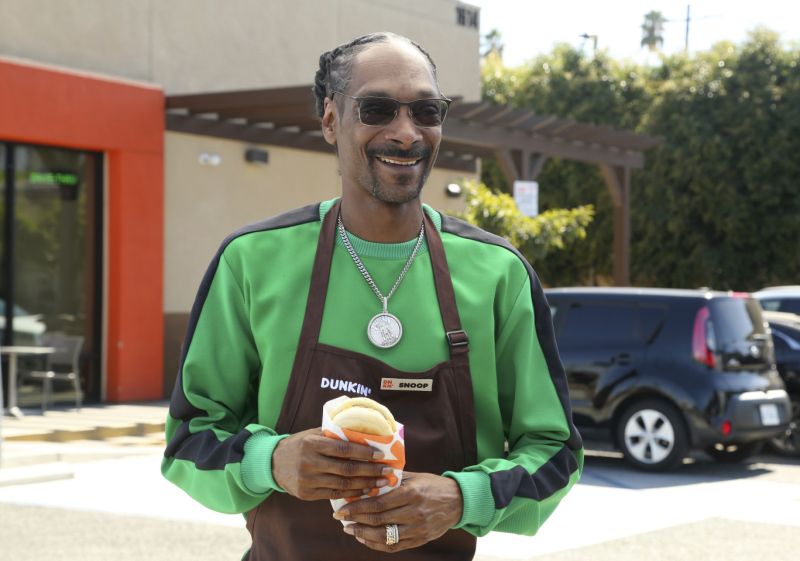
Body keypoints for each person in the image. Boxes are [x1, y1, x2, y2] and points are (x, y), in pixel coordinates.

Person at [162, 31, 583, 561]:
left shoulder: (499, 273)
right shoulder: (251, 261)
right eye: (378, 109)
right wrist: (270, 461)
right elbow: (187, 438)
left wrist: (460, 498)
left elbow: (555, 453)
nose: (406, 133)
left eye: (426, 111)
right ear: (331, 120)